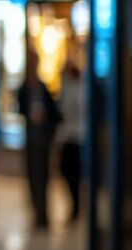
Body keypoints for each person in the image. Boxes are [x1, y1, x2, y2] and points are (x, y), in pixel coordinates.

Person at [18, 48, 63, 229]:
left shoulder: (43, 87)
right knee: (32, 176)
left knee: (43, 176)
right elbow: (20, 108)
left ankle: (44, 212)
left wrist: (47, 124)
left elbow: (55, 113)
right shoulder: (24, 87)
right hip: (30, 140)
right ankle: (37, 210)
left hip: (42, 140)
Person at [56, 60, 83, 222]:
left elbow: (65, 114)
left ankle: (76, 205)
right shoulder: (81, 90)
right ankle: (76, 205)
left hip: (73, 137)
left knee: (70, 172)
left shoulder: (72, 91)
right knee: (72, 173)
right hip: (76, 137)